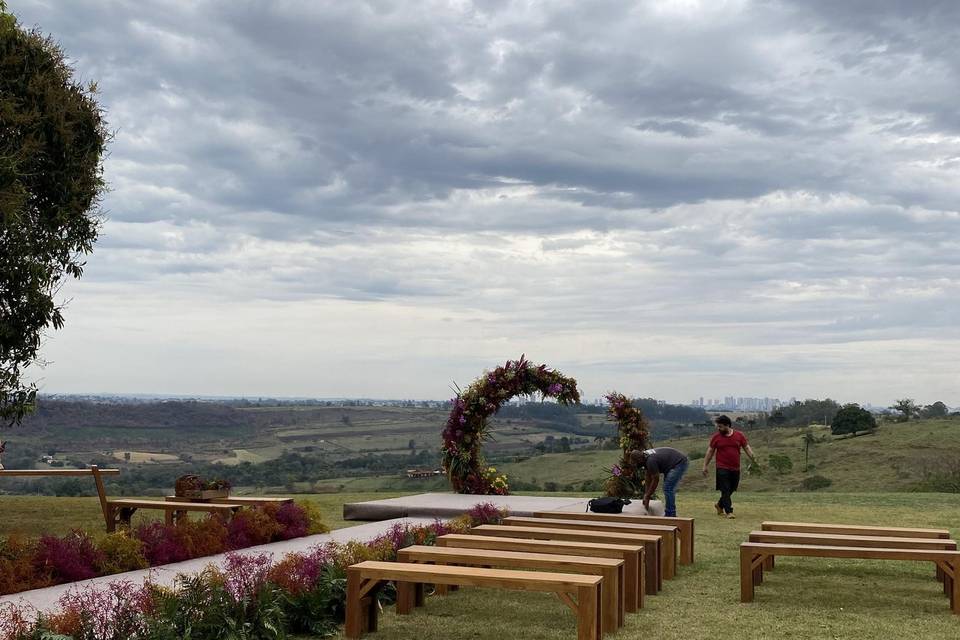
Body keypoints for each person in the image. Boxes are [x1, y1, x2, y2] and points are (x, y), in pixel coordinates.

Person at [701, 415, 757, 519]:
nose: (719, 428)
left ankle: (719, 505)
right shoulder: (716, 437)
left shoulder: (739, 435)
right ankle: (729, 511)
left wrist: (754, 460)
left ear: (727, 425)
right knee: (725, 489)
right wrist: (705, 465)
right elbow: (710, 452)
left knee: (732, 488)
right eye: (718, 426)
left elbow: (746, 447)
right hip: (722, 467)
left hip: (735, 468)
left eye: (720, 426)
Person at [630, 446, 689, 517]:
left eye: (636, 463)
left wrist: (648, 495)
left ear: (639, 460)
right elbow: (648, 477)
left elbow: (655, 480)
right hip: (671, 463)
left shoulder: (650, 461)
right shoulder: (644, 457)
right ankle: (670, 513)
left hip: (679, 463)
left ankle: (671, 515)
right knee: (668, 488)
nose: (636, 465)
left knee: (668, 488)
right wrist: (646, 494)